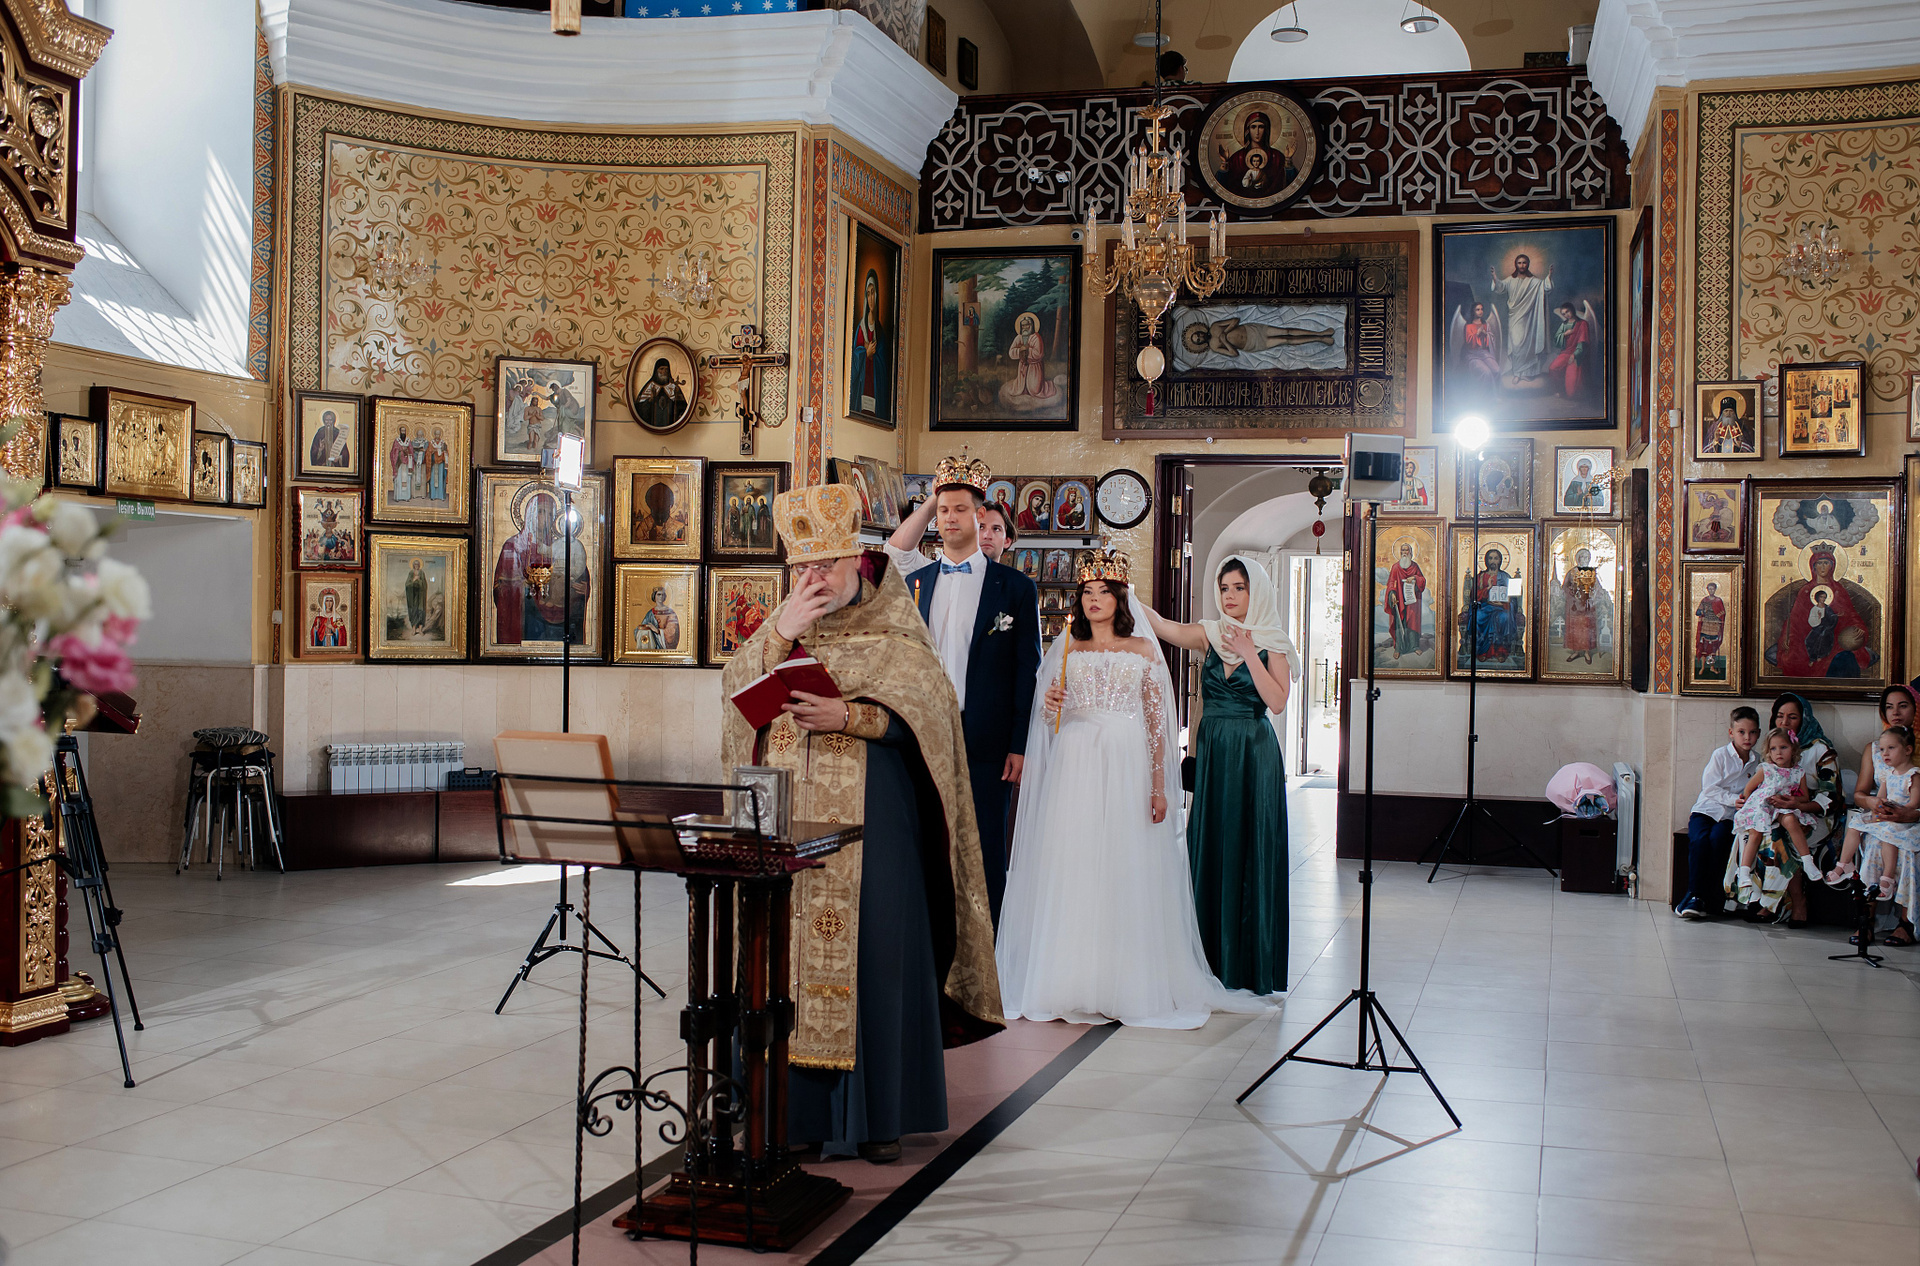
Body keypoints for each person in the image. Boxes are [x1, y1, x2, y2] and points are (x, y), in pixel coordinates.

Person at [719, 483, 1001, 1162]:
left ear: (856, 560)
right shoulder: (786, 621)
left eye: (827, 565)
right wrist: (780, 633)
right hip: (787, 819)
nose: (815, 579)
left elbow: (932, 716)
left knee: (878, 956)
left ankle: (879, 1120)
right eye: (803, 568)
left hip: (878, 823)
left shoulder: (893, 623)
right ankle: (789, 1118)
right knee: (782, 962)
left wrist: (851, 715)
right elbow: (735, 699)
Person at [997, 551, 1272, 1027]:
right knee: (1075, 862)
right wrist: (1051, 704)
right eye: (1087, 592)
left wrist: (1159, 786)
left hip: (1126, 761)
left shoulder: (1144, 650)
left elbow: (1156, 725)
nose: (1094, 600)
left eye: (1104, 592)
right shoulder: (1067, 646)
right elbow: (1049, 715)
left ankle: (1122, 979)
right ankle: (1069, 978)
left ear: (1120, 599)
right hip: (1076, 762)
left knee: (1121, 861)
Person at [887, 458, 1042, 925]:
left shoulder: (1015, 588)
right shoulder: (917, 582)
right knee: (927, 839)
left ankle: (987, 947)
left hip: (988, 739)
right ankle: (931, 939)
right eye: (943, 511)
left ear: (980, 516)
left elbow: (1027, 670)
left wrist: (1020, 744)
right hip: (926, 734)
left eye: (960, 509)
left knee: (986, 846)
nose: (950, 518)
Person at [1143, 556, 1293, 995]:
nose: (1230, 596)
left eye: (1239, 588)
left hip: (1254, 751)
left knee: (1250, 844)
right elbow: (1163, 627)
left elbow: (1277, 701)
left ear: (1256, 592)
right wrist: (1122, 593)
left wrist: (1249, 652)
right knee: (1212, 842)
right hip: (1213, 750)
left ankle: (1249, 964)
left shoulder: (1274, 641)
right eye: (1224, 588)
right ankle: (1207, 958)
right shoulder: (1210, 634)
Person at [1676, 706, 1760, 919]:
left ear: (1758, 733)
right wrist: (1733, 799)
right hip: (1706, 810)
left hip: (1731, 817)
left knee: (1719, 840)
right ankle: (1694, 895)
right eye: (1741, 732)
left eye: (1752, 732)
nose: (1747, 737)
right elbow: (1709, 788)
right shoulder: (1720, 755)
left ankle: (1713, 898)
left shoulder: (1758, 762)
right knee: (1699, 841)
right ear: (1731, 732)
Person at [1732, 728, 1824, 903]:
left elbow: (1805, 797)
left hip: (1782, 806)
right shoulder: (1766, 769)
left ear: (1793, 750)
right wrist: (1749, 806)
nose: (1778, 752)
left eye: (1783, 747)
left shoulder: (1798, 772)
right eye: (1773, 749)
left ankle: (1807, 861)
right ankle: (1744, 871)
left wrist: (1790, 800)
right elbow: (1749, 788)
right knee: (1755, 833)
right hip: (1762, 806)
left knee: (1790, 820)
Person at [1489, 252, 1554, 380]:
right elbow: (1500, 287)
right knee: (1517, 343)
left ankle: (1526, 373)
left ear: (1528, 264)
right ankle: (1517, 372)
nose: (1522, 265)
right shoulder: (1510, 280)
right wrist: (1495, 277)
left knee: (1528, 346)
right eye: (1519, 263)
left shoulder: (1533, 281)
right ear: (1516, 265)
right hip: (1515, 317)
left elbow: (1545, 287)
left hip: (1529, 318)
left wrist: (1549, 276)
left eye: (1524, 263)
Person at [1383, 541, 1425, 661]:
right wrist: (1392, 593)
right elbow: (1391, 582)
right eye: (1402, 550)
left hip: (1412, 602)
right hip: (1399, 600)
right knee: (1399, 622)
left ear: (1410, 552)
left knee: (1412, 622)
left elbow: (1422, 580)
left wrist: (1414, 578)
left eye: (1406, 550)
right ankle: (1398, 648)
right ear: (1400, 552)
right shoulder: (1396, 567)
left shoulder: (1415, 566)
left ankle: (1414, 646)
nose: (1404, 552)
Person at [405, 558, 429, 633]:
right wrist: (414, 580)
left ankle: (420, 629)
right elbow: (407, 584)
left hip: (420, 595)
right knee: (414, 611)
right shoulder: (411, 573)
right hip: (413, 595)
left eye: (417, 564)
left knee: (421, 611)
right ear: (413, 565)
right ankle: (414, 629)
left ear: (419, 565)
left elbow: (425, 584)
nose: (416, 566)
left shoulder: (422, 573)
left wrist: (420, 581)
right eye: (415, 564)